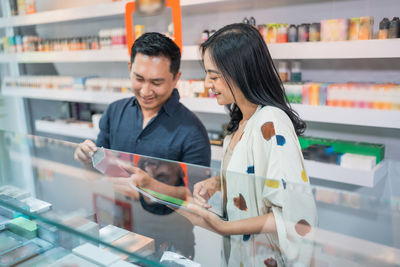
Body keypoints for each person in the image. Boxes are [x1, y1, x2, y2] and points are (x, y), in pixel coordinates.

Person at [184, 23, 317, 266]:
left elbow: (288, 216)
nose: (207, 84)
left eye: (214, 76)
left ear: (240, 72)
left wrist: (224, 227)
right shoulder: (242, 122)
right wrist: (217, 183)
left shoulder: (271, 123)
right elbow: (253, 177)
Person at [74, 32, 211, 167]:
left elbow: (196, 189)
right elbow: (100, 168)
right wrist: (87, 158)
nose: (145, 92)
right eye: (139, 79)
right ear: (130, 69)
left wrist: (150, 186)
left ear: (175, 78)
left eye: (156, 82)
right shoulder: (114, 111)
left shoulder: (193, 131)